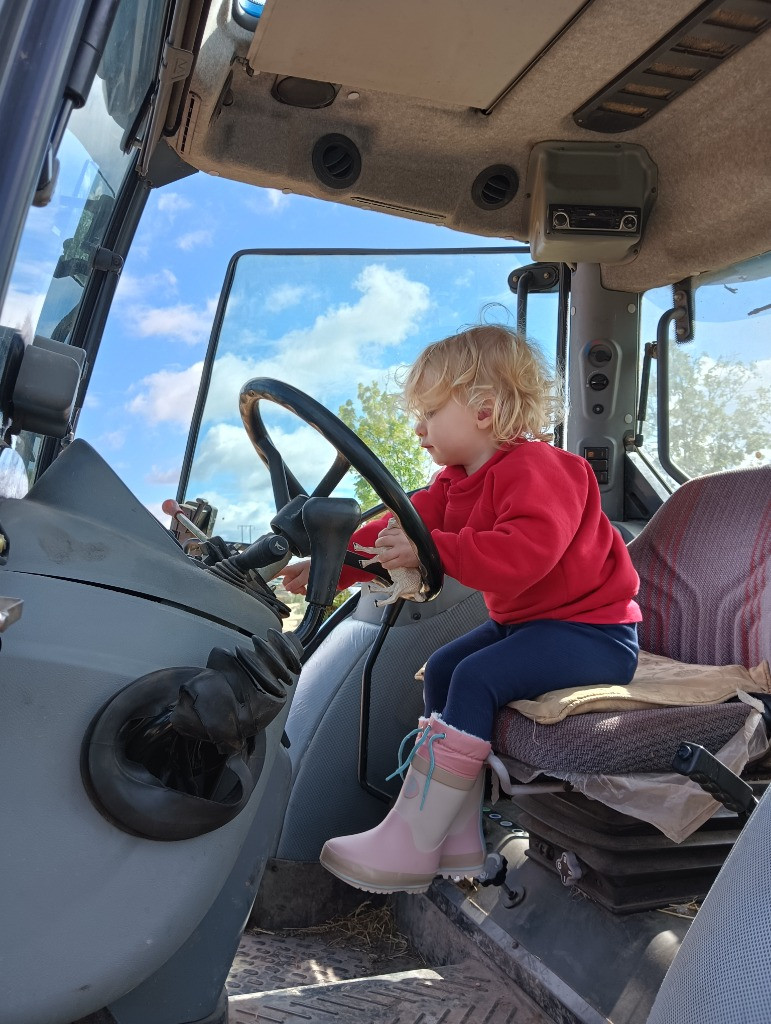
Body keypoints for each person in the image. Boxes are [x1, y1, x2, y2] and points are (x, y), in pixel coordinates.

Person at [280, 324, 641, 894]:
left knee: (474, 675)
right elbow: (400, 529)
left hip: (592, 634)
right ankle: (456, 839)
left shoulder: (543, 470)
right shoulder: (451, 484)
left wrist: (439, 551)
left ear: (484, 409)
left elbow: (527, 556)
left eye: (428, 412)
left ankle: (413, 838)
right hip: (526, 625)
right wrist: (336, 562)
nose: (417, 429)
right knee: (446, 668)